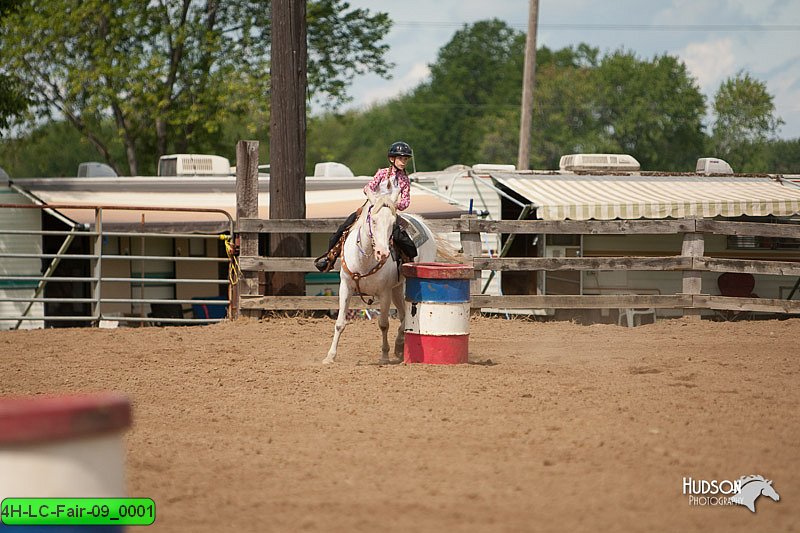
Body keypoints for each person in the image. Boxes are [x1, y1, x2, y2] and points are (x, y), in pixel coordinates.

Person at [314, 141, 418, 272]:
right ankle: (330, 257)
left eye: (405, 159)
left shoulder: (405, 180)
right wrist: (373, 197)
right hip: (371, 207)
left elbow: (406, 202)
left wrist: (394, 204)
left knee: (402, 239)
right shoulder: (381, 173)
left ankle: (408, 262)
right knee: (344, 228)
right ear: (392, 159)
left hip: (389, 213)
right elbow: (369, 187)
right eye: (400, 158)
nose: (403, 162)